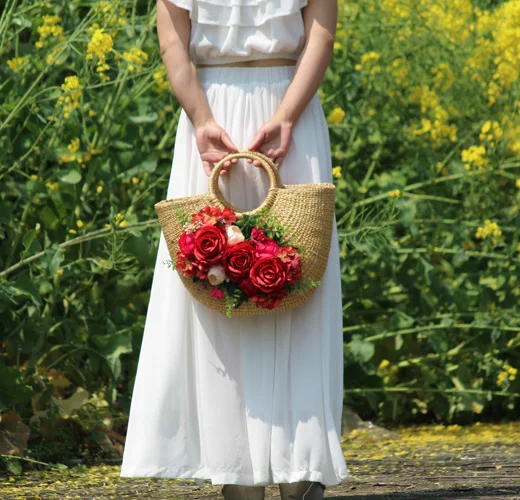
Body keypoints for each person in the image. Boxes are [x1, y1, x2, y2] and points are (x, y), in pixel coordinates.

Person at [120, 0, 349, 498]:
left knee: (227, 287)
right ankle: (300, 470)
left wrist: (202, 120)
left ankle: (238, 476)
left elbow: (173, 42)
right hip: (290, 110)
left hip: (213, 114)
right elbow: (321, 37)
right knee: (289, 281)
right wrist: (287, 117)